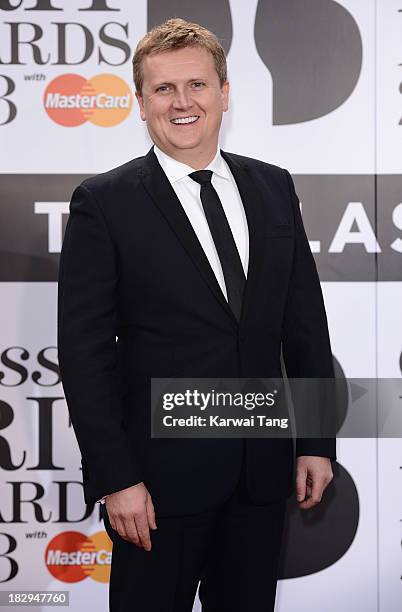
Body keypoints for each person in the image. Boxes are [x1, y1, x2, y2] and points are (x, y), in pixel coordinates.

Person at [57, 17, 335, 612]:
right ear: (140, 102)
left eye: (197, 85)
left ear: (224, 91)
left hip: (260, 475)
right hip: (156, 488)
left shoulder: (273, 187)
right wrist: (116, 478)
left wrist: (316, 441)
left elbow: (306, 327)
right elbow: (85, 357)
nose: (182, 102)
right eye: (163, 89)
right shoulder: (104, 203)